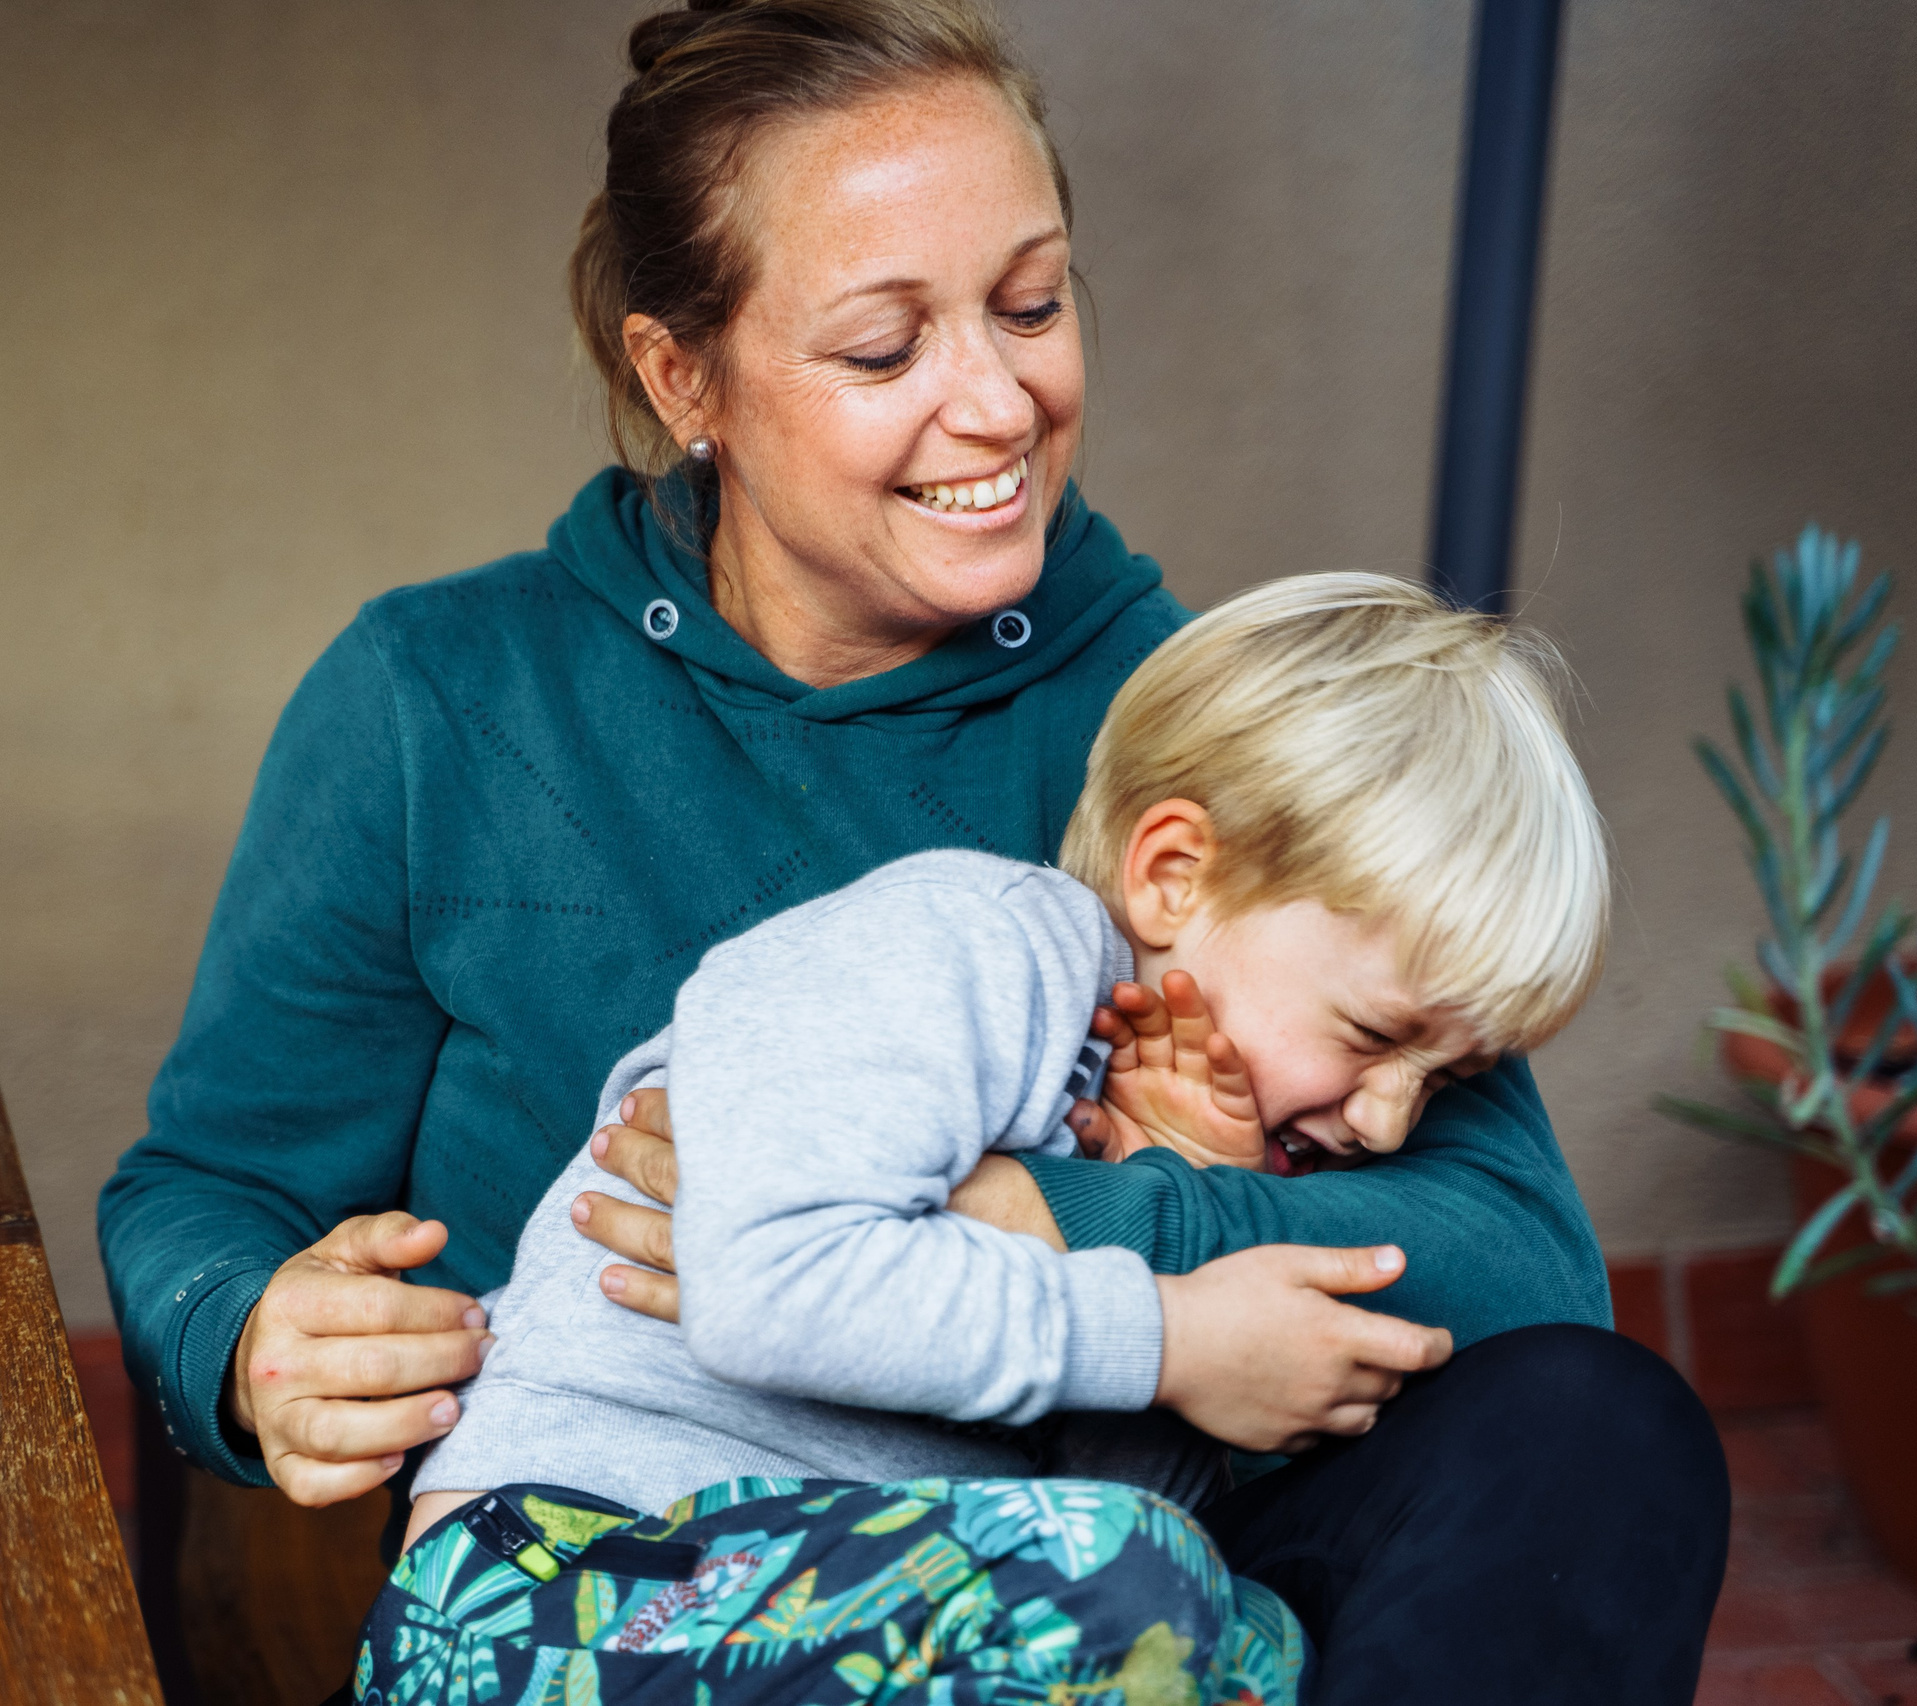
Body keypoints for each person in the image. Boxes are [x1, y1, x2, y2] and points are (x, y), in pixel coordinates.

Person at [98, 3, 1729, 1699]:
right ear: (685, 378)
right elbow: (209, 1193)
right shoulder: (439, 701)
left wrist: (1036, 1217)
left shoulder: (1164, 714)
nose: (1001, 398)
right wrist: (245, 1333)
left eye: (1033, 303)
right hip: (657, 1594)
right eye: (887, 348)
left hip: (1092, 1564)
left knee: (1598, 1437)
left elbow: (1523, 1258)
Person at [349, 574, 1608, 1706]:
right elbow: (764, 1289)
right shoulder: (978, 941)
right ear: (1173, 873)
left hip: (827, 1607)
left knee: (1197, 1617)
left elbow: (1083, 1496)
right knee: (1164, 1597)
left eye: (1449, 1077)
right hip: (558, 1585)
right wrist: (1172, 1332)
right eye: (1373, 1034)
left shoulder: (1150, 1129)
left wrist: (1165, 1192)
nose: (1389, 1115)